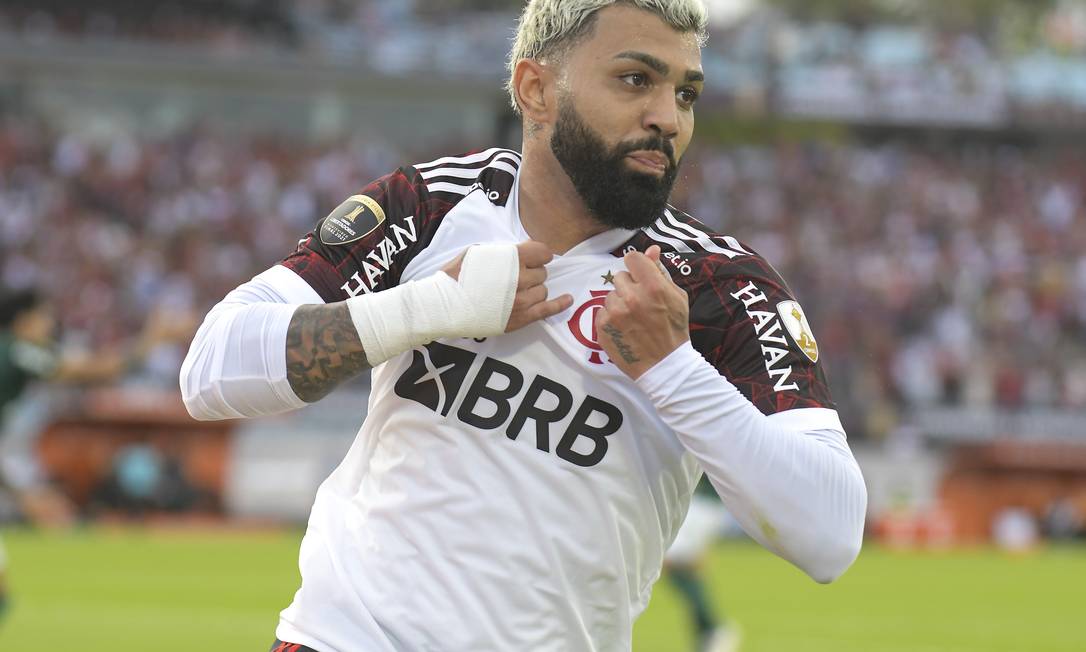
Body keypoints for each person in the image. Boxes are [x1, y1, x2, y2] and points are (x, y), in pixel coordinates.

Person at [181, 2, 868, 650]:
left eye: (686, 94)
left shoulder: (721, 286)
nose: (667, 117)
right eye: (636, 80)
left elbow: (829, 534)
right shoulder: (432, 205)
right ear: (536, 90)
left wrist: (671, 367)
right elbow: (211, 370)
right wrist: (426, 311)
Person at [0, 287, 191, 619]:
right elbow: (95, 370)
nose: (49, 324)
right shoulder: (18, 350)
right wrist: (151, 340)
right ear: (24, 320)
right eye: (43, 317)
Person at [664, 477, 738, 652]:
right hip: (701, 504)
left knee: (671, 561)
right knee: (680, 567)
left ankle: (713, 628)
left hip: (704, 506)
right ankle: (707, 631)